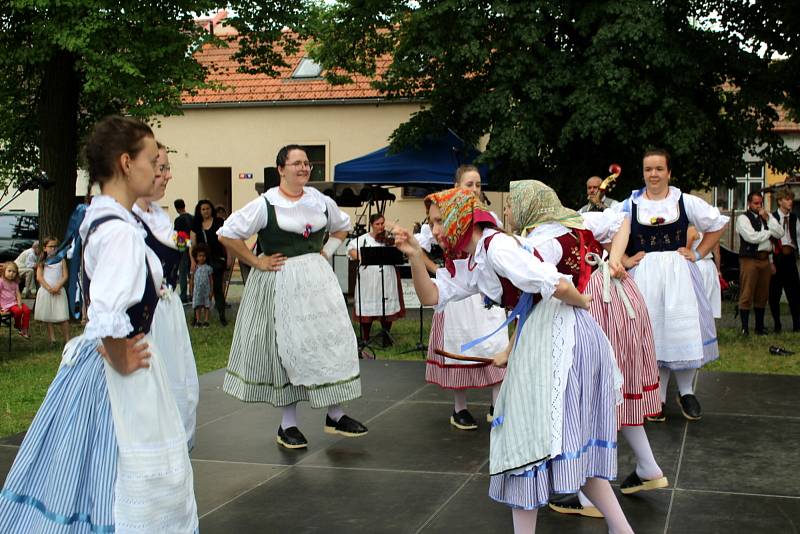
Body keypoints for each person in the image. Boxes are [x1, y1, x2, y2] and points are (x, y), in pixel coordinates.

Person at [393, 188, 633, 534]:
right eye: (432, 223)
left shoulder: (498, 247)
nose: (436, 230)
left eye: (440, 221)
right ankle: (621, 530)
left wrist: (582, 302)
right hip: (547, 335)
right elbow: (432, 295)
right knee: (557, 440)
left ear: (461, 217)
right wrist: (416, 255)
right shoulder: (476, 257)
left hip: (558, 336)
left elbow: (553, 284)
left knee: (526, 440)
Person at [0, 115, 197, 532]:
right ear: (127, 163)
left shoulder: (106, 218)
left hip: (104, 364)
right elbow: (106, 309)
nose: (157, 167)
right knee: (113, 480)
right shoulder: (120, 232)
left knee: (90, 477)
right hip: (114, 375)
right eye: (150, 158)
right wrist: (120, 355)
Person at [506, 180, 665, 519]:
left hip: (589, 307)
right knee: (600, 397)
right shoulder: (578, 221)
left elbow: (538, 285)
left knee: (577, 403)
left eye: (512, 204)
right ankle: (628, 477)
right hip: (607, 307)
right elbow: (622, 219)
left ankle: (587, 492)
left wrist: (616, 257)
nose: (508, 210)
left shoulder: (546, 238)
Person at [218, 144, 367, 450]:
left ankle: (335, 414)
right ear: (281, 169)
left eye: (307, 164)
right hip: (280, 281)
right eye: (296, 163)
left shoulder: (320, 201)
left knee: (329, 341)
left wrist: (326, 252)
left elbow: (342, 227)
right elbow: (227, 233)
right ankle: (288, 425)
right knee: (286, 349)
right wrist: (256, 261)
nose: (303, 168)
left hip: (316, 283)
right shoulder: (266, 204)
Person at [613, 148, 728, 422]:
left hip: (680, 277)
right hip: (645, 277)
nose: (653, 174)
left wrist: (699, 253)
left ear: (669, 172)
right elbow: (606, 231)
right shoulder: (630, 205)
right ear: (643, 173)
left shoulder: (685, 201)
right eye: (648, 169)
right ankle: (658, 396)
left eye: (659, 169)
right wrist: (625, 258)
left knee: (681, 332)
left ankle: (686, 392)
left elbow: (718, 224)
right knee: (653, 334)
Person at [417, 164, 507, 431]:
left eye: (478, 185)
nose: (475, 189)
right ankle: (460, 408)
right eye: (469, 184)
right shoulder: (443, 215)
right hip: (456, 293)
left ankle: (497, 405)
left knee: (494, 344)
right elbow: (420, 245)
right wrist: (435, 269)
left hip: (483, 292)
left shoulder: (487, 217)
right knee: (459, 346)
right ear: (457, 187)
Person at [133, 142, 200, 449]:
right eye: (162, 168)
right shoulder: (125, 218)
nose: (168, 176)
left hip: (168, 312)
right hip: (144, 319)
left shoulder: (158, 215)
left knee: (177, 383)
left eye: (168, 168)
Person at [347, 213, 405, 347]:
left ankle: (386, 336)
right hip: (369, 279)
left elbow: (400, 251)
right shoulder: (363, 239)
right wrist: (363, 257)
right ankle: (366, 337)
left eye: (382, 223)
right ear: (372, 225)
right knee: (368, 304)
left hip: (387, 276)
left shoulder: (388, 239)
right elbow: (350, 250)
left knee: (386, 304)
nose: (380, 226)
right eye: (377, 224)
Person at [736, 191, 783, 336]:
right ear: (749, 203)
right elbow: (751, 237)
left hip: (765, 259)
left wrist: (768, 219)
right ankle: (745, 328)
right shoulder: (743, 218)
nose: (758, 206)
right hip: (750, 258)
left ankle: (759, 326)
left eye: (760, 203)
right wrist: (769, 234)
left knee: (762, 293)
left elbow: (780, 232)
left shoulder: (767, 217)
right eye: (755, 203)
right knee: (747, 292)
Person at [191, 199, 229, 325]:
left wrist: (229, 257)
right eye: (203, 209)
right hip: (202, 261)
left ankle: (222, 316)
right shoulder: (195, 225)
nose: (206, 211)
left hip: (218, 260)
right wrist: (193, 261)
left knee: (218, 288)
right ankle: (196, 318)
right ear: (199, 211)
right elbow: (192, 244)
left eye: (207, 208)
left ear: (211, 209)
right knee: (199, 289)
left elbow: (227, 240)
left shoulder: (219, 222)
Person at [769, 188, 800, 332]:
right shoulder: (772, 217)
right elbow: (769, 240)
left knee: (794, 293)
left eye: (791, 199)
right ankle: (777, 325)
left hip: (790, 258)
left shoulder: (794, 218)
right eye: (787, 199)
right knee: (774, 294)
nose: (790, 202)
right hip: (777, 258)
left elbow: (798, 238)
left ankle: (797, 325)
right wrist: (770, 262)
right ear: (780, 201)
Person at [34, 236, 70, 344]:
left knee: (63, 316)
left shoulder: (61, 259)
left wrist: (57, 287)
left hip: (58, 291)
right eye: (50, 246)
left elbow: (65, 275)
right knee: (48, 316)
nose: (53, 248)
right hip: (46, 291)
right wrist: (50, 289)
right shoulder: (42, 261)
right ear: (45, 248)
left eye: (55, 246)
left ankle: (67, 339)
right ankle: (52, 339)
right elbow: (39, 277)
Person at [687, 225, 722, 319]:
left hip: (696, 264)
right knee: (708, 297)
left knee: (696, 297)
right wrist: (718, 271)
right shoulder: (712, 232)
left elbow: (686, 250)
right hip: (710, 265)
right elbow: (717, 253)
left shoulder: (692, 230)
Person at [0, 262, 30, 339]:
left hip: (15, 303)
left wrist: (20, 304)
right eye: (9, 271)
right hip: (7, 304)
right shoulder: (1, 281)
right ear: (4, 271)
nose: (11, 273)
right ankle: (17, 325)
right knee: (18, 311)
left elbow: (18, 294)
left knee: (27, 310)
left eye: (14, 272)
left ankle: (25, 329)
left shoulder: (15, 283)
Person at [174, 198, 194, 303]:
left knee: (182, 273)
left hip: (184, 248)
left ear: (176, 208)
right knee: (192, 272)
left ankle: (183, 295)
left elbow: (178, 236)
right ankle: (193, 294)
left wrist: (180, 249)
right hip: (193, 247)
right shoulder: (192, 218)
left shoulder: (178, 220)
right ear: (184, 205)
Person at [191, 243, 213, 327]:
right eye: (199, 256)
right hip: (197, 291)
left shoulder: (208, 268)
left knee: (206, 305)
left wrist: (211, 290)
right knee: (198, 305)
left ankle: (206, 320)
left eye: (203, 256)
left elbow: (211, 280)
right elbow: (192, 279)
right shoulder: (195, 268)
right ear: (196, 257)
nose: (202, 258)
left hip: (206, 290)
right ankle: (198, 320)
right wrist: (191, 290)